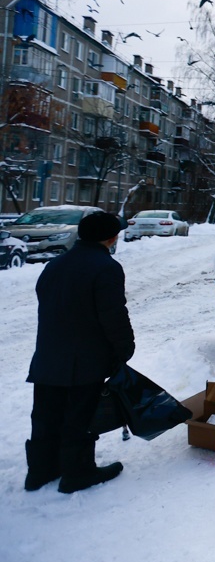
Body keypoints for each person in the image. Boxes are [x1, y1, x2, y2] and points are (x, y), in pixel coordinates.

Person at [25, 211, 134, 493]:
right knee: (79, 417)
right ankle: (77, 473)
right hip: (85, 359)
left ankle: (40, 471)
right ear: (111, 238)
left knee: (46, 415)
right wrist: (124, 349)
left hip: (48, 356)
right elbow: (113, 315)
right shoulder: (106, 267)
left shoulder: (54, 265)